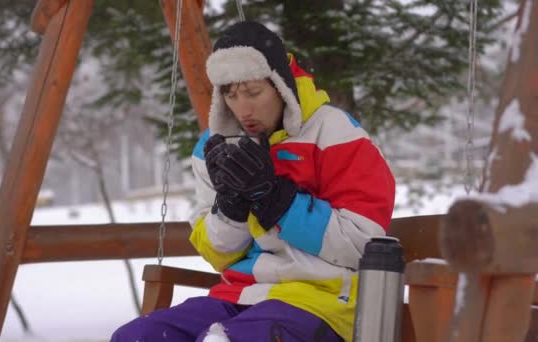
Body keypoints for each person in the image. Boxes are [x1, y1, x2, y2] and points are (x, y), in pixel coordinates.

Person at [112, 20, 395, 342]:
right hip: (239, 295)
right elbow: (218, 255)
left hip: (323, 300)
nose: (243, 108)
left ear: (281, 85)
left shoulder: (335, 133)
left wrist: (276, 199)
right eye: (231, 95)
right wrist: (231, 208)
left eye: (253, 92)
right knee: (140, 336)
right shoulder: (215, 148)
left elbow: (363, 246)